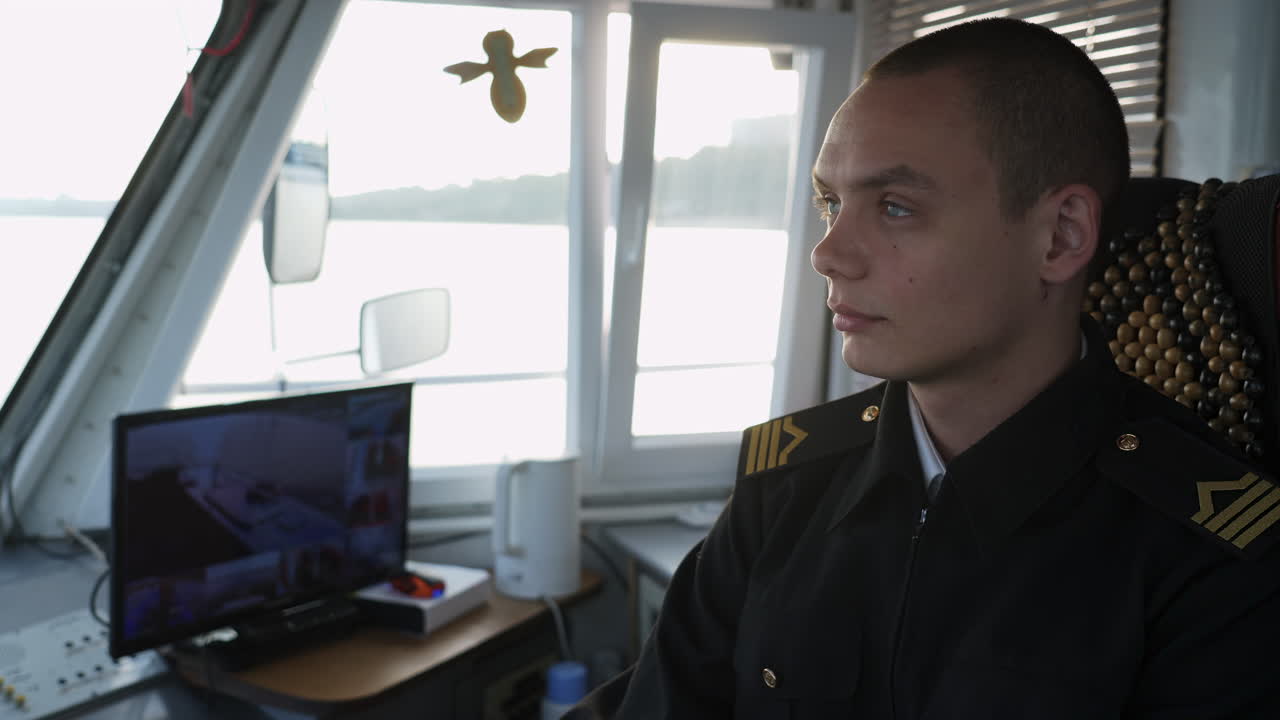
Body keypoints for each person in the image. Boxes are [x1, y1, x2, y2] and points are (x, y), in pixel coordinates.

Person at [566, 16, 1280, 719]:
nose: (829, 254)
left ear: (1060, 236)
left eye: (896, 207)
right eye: (830, 203)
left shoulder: (1211, 554)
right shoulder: (785, 488)